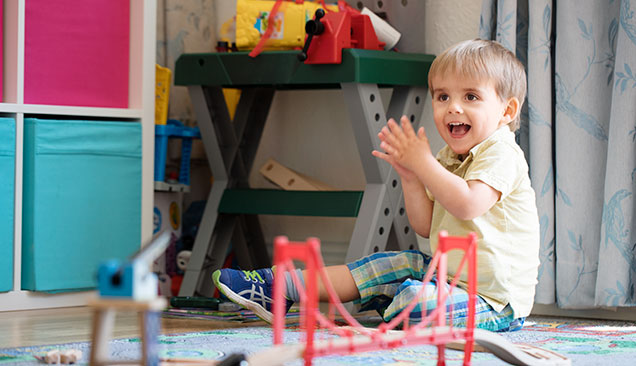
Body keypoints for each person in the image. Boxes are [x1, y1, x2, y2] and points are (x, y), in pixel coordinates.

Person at [212, 39, 540, 332]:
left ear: (506, 111)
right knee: (387, 263)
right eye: (442, 96)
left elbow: (468, 204)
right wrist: (412, 177)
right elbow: (426, 226)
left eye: (470, 96)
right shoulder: (447, 158)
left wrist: (424, 165)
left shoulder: (502, 153)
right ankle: (280, 287)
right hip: (447, 277)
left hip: (495, 302)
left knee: (414, 298)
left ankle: (393, 299)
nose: (453, 107)